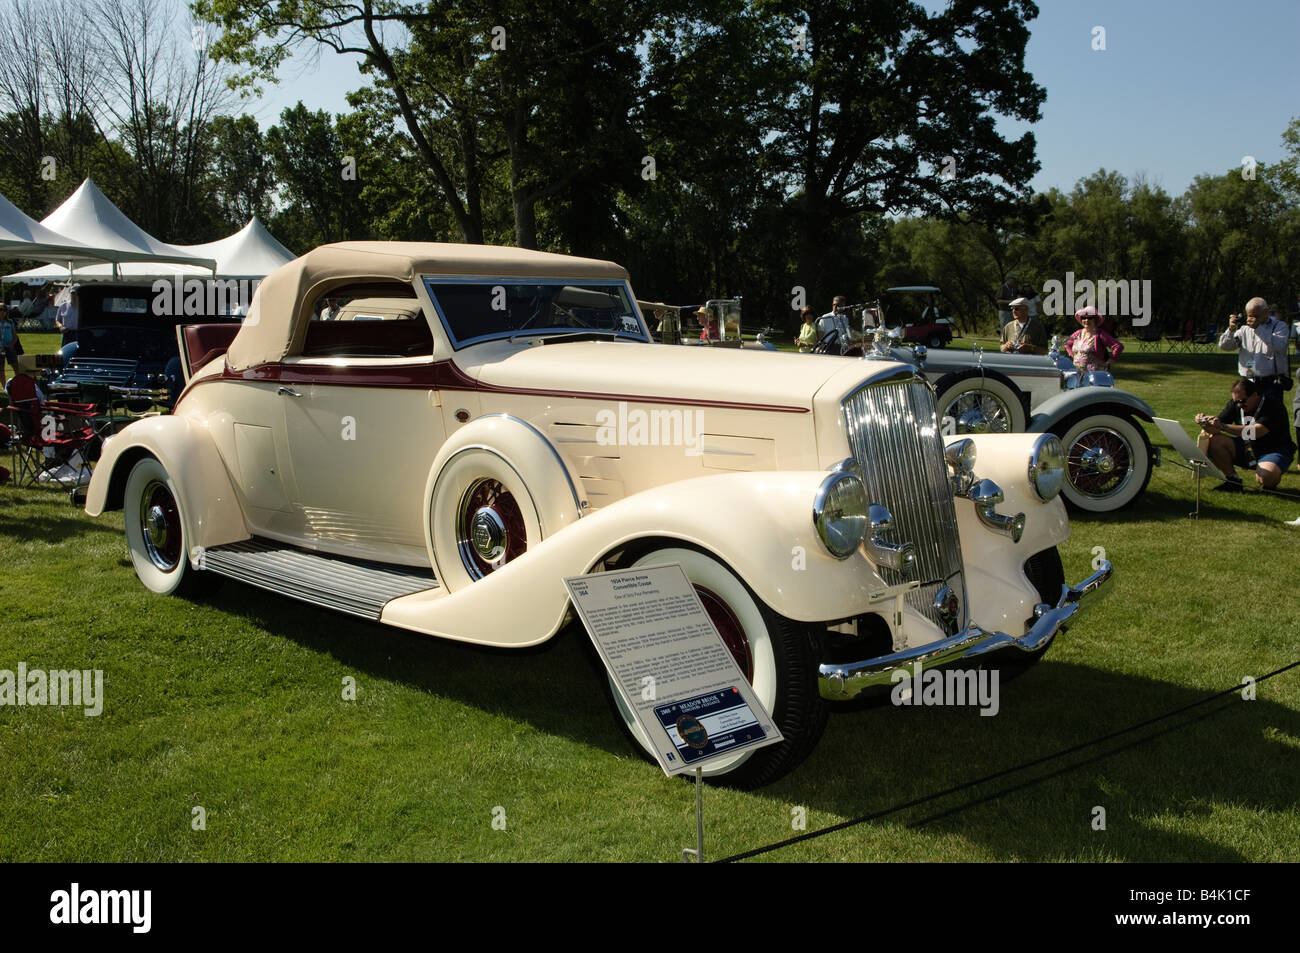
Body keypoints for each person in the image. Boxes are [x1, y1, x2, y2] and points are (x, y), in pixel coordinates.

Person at [1195, 376, 1294, 492]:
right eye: (1236, 401)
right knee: (1215, 440)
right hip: (1247, 447)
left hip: (1274, 449)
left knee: (1266, 476)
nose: (1238, 405)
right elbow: (1216, 429)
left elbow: (1257, 431)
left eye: (1242, 401)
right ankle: (1233, 480)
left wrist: (1222, 426)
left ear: (1255, 395)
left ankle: (1269, 484)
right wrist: (1206, 424)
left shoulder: (1273, 405)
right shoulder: (1235, 404)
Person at [1218, 296, 1289, 398]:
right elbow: (1225, 346)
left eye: (1256, 316)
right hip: (1247, 380)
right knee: (1248, 413)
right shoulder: (1244, 328)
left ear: (1266, 312)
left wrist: (1258, 328)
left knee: (1271, 412)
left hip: (1270, 382)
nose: (1251, 319)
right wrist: (1230, 330)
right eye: (1249, 316)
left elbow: (1279, 346)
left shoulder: (1279, 326)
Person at [1064, 306, 1123, 371]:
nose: (1086, 320)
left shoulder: (1100, 334)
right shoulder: (1077, 333)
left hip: (1095, 374)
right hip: (1077, 373)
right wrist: (1073, 355)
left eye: (1090, 318)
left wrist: (1109, 362)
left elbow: (1118, 346)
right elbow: (1067, 343)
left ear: (1095, 319)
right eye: (1084, 318)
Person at [0, 304, 19, 384]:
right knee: (1, 368)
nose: (2, 312)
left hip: (9, 346)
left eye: (4, 310)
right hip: (0, 347)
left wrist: (12, 344)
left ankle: (18, 383)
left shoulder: (10, 322)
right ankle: (4, 387)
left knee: (16, 366)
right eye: (0, 310)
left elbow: (15, 336)